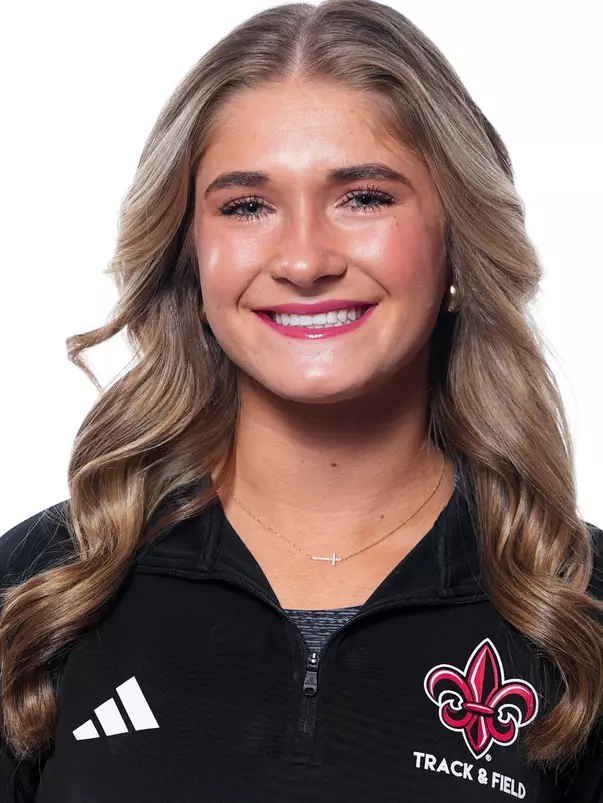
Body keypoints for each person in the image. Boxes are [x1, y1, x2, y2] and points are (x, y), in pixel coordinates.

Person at [1, 0, 602, 800]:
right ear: (191, 257)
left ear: (457, 240)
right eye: (248, 205)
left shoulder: (575, 610)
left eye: (363, 197)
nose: (304, 258)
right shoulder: (41, 591)